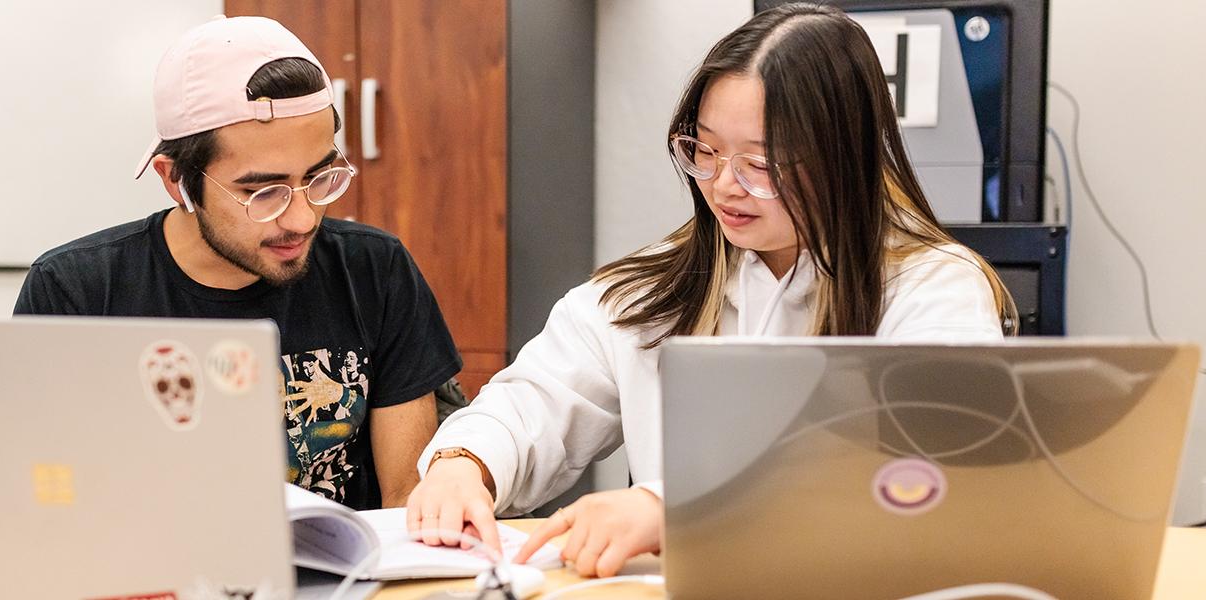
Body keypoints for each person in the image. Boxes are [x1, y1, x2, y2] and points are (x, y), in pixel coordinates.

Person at [405, 2, 1016, 577]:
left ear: (843, 158)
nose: (723, 186)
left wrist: (672, 508)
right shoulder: (662, 285)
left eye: (761, 163)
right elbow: (535, 400)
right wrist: (467, 464)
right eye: (706, 150)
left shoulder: (933, 288)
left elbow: (925, 469)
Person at [14, 16, 461, 510]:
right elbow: (48, 504)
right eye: (262, 193)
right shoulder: (76, 291)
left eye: (318, 178)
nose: (302, 218)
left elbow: (406, 501)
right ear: (176, 180)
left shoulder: (376, 270)